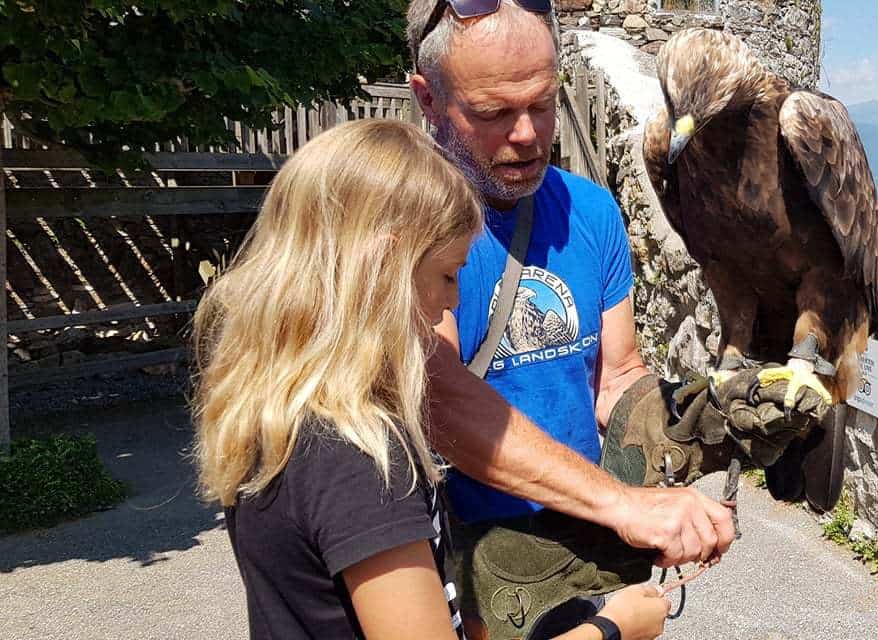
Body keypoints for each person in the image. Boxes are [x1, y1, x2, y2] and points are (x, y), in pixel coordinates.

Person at [406, 2, 829, 638]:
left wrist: (698, 421)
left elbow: (615, 377)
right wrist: (625, 503)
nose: (527, 134)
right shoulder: (401, 220)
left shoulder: (591, 211)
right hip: (472, 551)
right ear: (429, 101)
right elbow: (440, 400)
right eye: (494, 113)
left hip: (591, 546)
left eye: (543, 103)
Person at [193, 119, 672, 640]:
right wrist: (612, 627)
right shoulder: (356, 459)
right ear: (382, 266)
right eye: (448, 274)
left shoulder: (285, 417)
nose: (453, 300)